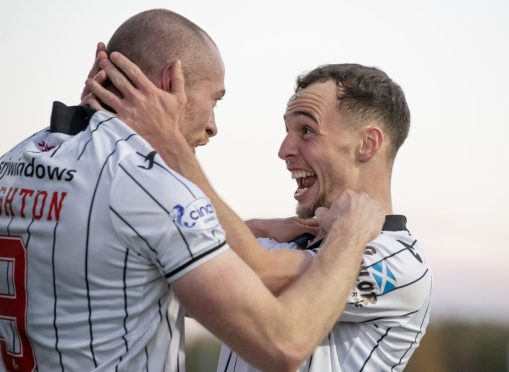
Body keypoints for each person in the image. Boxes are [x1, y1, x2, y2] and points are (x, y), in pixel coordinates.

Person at [0, 9, 385, 372]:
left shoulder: (15, 160)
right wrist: (350, 235)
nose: (213, 126)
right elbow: (282, 344)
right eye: (214, 99)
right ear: (172, 82)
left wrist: (253, 229)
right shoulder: (149, 186)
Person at [87, 53, 432, 370]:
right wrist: (97, 129)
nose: (284, 150)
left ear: (367, 144)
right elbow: (154, 275)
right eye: (287, 131)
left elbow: (261, 272)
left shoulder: (399, 263)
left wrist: (171, 146)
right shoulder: (282, 242)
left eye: (307, 130)